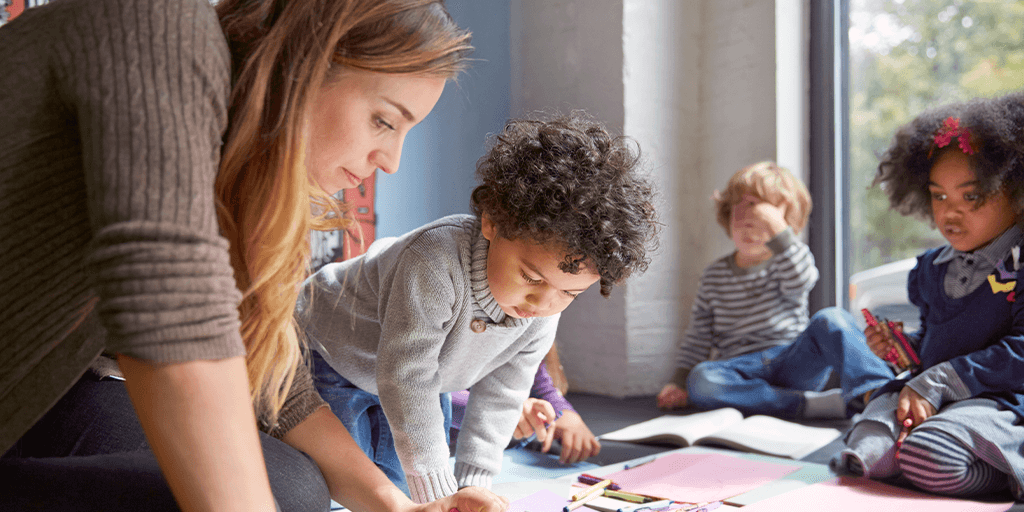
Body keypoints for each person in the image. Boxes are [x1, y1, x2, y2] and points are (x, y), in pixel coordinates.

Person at [0, 0, 510, 511]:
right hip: (42, 397)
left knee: (290, 486)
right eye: (382, 120)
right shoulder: (157, 23)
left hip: (45, 400)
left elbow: (277, 383)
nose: (392, 161)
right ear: (304, 65)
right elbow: (165, 313)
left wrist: (397, 507)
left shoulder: (242, 174)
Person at [296, 112, 659, 502]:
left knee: (406, 486)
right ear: (492, 221)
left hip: (424, 379)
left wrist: (472, 485)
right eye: (532, 278)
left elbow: (503, 394)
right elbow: (406, 379)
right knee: (341, 491)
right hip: (332, 353)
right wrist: (438, 495)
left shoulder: (543, 310)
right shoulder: (433, 261)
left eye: (570, 294)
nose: (544, 303)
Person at [832, 92, 1024, 500]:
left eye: (971, 196)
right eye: (939, 196)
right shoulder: (929, 270)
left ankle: (1001, 470)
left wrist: (935, 383)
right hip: (940, 399)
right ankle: (920, 459)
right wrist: (902, 349)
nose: (950, 212)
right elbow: (936, 349)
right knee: (864, 445)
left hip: (1001, 403)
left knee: (929, 453)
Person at [656, 162, 893, 419]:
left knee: (833, 318)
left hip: (790, 360)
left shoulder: (787, 262)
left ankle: (881, 392)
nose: (750, 225)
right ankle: (807, 405)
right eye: (742, 214)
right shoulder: (714, 274)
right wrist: (679, 381)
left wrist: (776, 228)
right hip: (741, 370)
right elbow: (699, 334)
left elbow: (802, 280)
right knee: (702, 379)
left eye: (761, 220)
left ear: (785, 227)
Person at [449, 361, 602, 465]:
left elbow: (537, 381)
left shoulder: (530, 324)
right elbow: (430, 392)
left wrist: (565, 412)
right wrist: (499, 408)